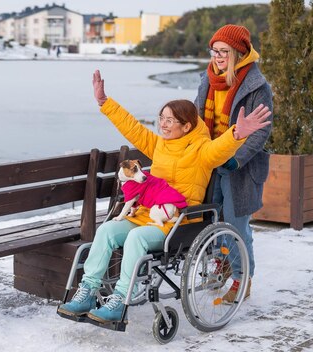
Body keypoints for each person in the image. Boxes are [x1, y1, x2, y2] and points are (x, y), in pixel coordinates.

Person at [56, 70, 271, 323]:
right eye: (161, 119)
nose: (163, 124)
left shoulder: (202, 151)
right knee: (106, 231)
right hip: (146, 216)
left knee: (136, 238)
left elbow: (220, 149)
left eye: (170, 120)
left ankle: (120, 299)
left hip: (177, 223)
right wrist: (105, 102)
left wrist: (237, 134)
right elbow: (132, 127)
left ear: (187, 125)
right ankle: (88, 292)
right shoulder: (159, 144)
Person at [194, 24, 273, 303]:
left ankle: (242, 279)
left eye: (223, 51)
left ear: (238, 53)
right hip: (211, 160)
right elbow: (196, 119)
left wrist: (234, 160)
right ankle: (222, 262)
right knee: (212, 218)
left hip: (240, 167)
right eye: (214, 50)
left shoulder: (257, 86)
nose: (217, 56)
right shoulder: (208, 79)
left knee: (236, 225)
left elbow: (261, 132)